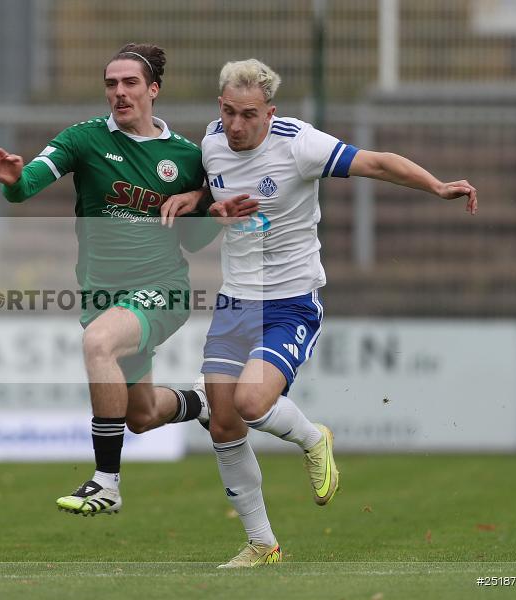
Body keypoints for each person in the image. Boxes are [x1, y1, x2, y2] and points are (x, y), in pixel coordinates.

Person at [162, 58, 477, 568]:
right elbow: (213, 191)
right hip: (236, 300)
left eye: (248, 114)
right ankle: (263, 544)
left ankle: (314, 437)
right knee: (222, 423)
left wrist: (437, 186)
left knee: (249, 401)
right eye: (228, 112)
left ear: (270, 112)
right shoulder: (213, 138)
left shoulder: (299, 143)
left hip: (290, 300)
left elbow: (377, 163)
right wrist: (199, 199)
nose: (236, 125)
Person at [0, 43, 254, 516]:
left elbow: (192, 241)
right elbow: (28, 185)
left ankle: (106, 482)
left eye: (130, 83)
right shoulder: (83, 140)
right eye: (111, 84)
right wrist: (14, 179)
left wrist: (210, 210)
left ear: (153, 89)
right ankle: (203, 404)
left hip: (163, 290)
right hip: (103, 295)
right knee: (141, 415)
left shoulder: (186, 156)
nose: (119, 93)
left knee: (98, 346)